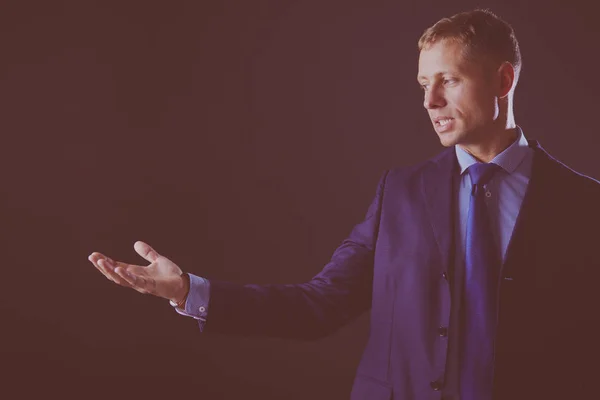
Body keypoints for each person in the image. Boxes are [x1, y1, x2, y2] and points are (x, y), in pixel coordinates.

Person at [88, 9, 600, 400]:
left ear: (503, 81)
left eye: (449, 80)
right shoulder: (399, 192)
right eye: (424, 83)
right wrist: (188, 290)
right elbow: (320, 305)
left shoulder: (584, 205)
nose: (429, 101)